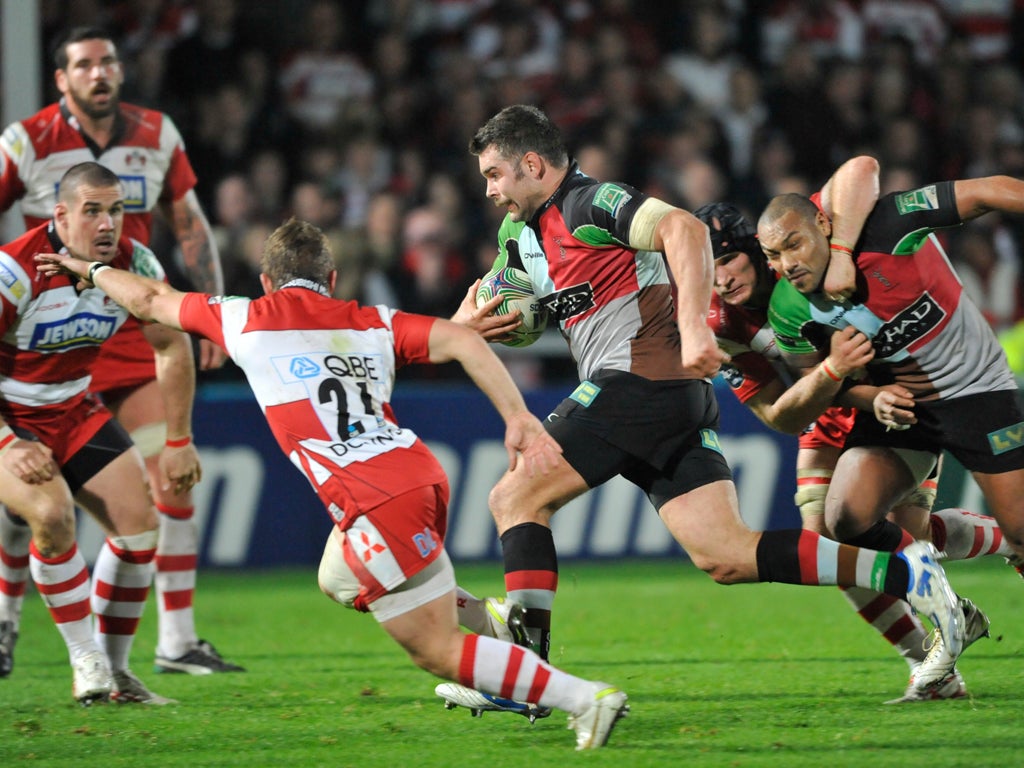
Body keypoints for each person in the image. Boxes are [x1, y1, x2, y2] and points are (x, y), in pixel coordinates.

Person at [444, 104, 965, 714]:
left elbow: (684, 230)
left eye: (495, 174)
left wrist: (693, 327)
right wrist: (464, 327)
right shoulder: (519, 237)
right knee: (726, 555)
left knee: (514, 497)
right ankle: (916, 579)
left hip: (638, 384)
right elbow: (478, 307)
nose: (489, 190)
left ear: (532, 164)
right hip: (669, 401)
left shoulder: (591, 203)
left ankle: (527, 680)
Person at [37, 217, 631, 751]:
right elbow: (462, 340)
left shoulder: (247, 317)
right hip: (416, 475)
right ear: (333, 277)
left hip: (375, 500)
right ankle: (493, 622)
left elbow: (149, 297)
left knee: (436, 650)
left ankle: (584, 700)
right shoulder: (369, 322)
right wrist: (517, 415)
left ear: (269, 282)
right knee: (338, 576)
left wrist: (91, 270)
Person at [698, 193, 1017, 702]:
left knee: (906, 538)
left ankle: (1001, 538)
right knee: (827, 548)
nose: (722, 280)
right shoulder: (719, 325)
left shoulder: (808, 255)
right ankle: (931, 664)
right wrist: (833, 372)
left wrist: (843, 252)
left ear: (755, 247)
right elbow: (779, 414)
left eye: (727, 260)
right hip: (827, 413)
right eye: (705, 270)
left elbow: (859, 173)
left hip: (897, 402)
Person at [0, 26, 241, 676]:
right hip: (31, 329)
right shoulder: (24, 143)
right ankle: (9, 622)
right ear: (63, 78)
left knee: (164, 477)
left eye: (108, 61)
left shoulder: (157, 135)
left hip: (119, 316)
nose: (99, 73)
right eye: (84, 64)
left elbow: (189, 222)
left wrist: (207, 315)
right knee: (32, 501)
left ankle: (173, 641)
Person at [0, 162, 190, 704]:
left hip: (75, 410)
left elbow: (171, 344)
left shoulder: (135, 262)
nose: (108, 224)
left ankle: (117, 674)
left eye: (116, 211)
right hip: (11, 420)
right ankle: (85, 660)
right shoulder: (14, 270)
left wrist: (179, 438)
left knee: (140, 530)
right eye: (93, 211)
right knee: (52, 515)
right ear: (59, 215)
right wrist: (9, 443)